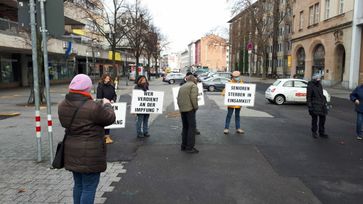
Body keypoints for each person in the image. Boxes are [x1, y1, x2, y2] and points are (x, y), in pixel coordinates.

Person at [58, 74, 115, 204]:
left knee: (78, 185)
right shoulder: (93, 107)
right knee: (89, 188)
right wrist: (107, 105)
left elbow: (65, 124)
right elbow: (110, 118)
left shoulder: (62, 105)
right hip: (91, 154)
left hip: (71, 151)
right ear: (87, 89)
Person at [177, 75, 199, 153]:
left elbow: (178, 98)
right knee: (191, 128)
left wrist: (180, 108)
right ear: (193, 79)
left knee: (185, 128)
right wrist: (195, 107)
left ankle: (184, 145)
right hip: (190, 109)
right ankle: (190, 147)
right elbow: (194, 98)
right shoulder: (193, 86)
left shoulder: (182, 86)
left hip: (183, 109)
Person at [97, 74, 117, 144]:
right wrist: (104, 101)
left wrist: (113, 100)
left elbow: (114, 95)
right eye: (106, 78)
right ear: (103, 79)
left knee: (108, 120)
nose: (107, 80)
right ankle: (102, 136)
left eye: (108, 78)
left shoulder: (111, 86)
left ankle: (107, 136)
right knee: (103, 121)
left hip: (110, 104)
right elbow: (98, 97)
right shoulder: (100, 86)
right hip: (103, 105)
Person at [307, 73, 328, 138]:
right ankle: (314, 132)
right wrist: (310, 106)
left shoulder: (320, 85)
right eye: (318, 78)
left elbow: (321, 95)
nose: (319, 79)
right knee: (314, 120)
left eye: (320, 78)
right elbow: (309, 97)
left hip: (321, 105)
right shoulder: (310, 85)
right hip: (314, 105)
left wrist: (325, 102)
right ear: (315, 79)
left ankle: (321, 132)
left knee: (322, 119)